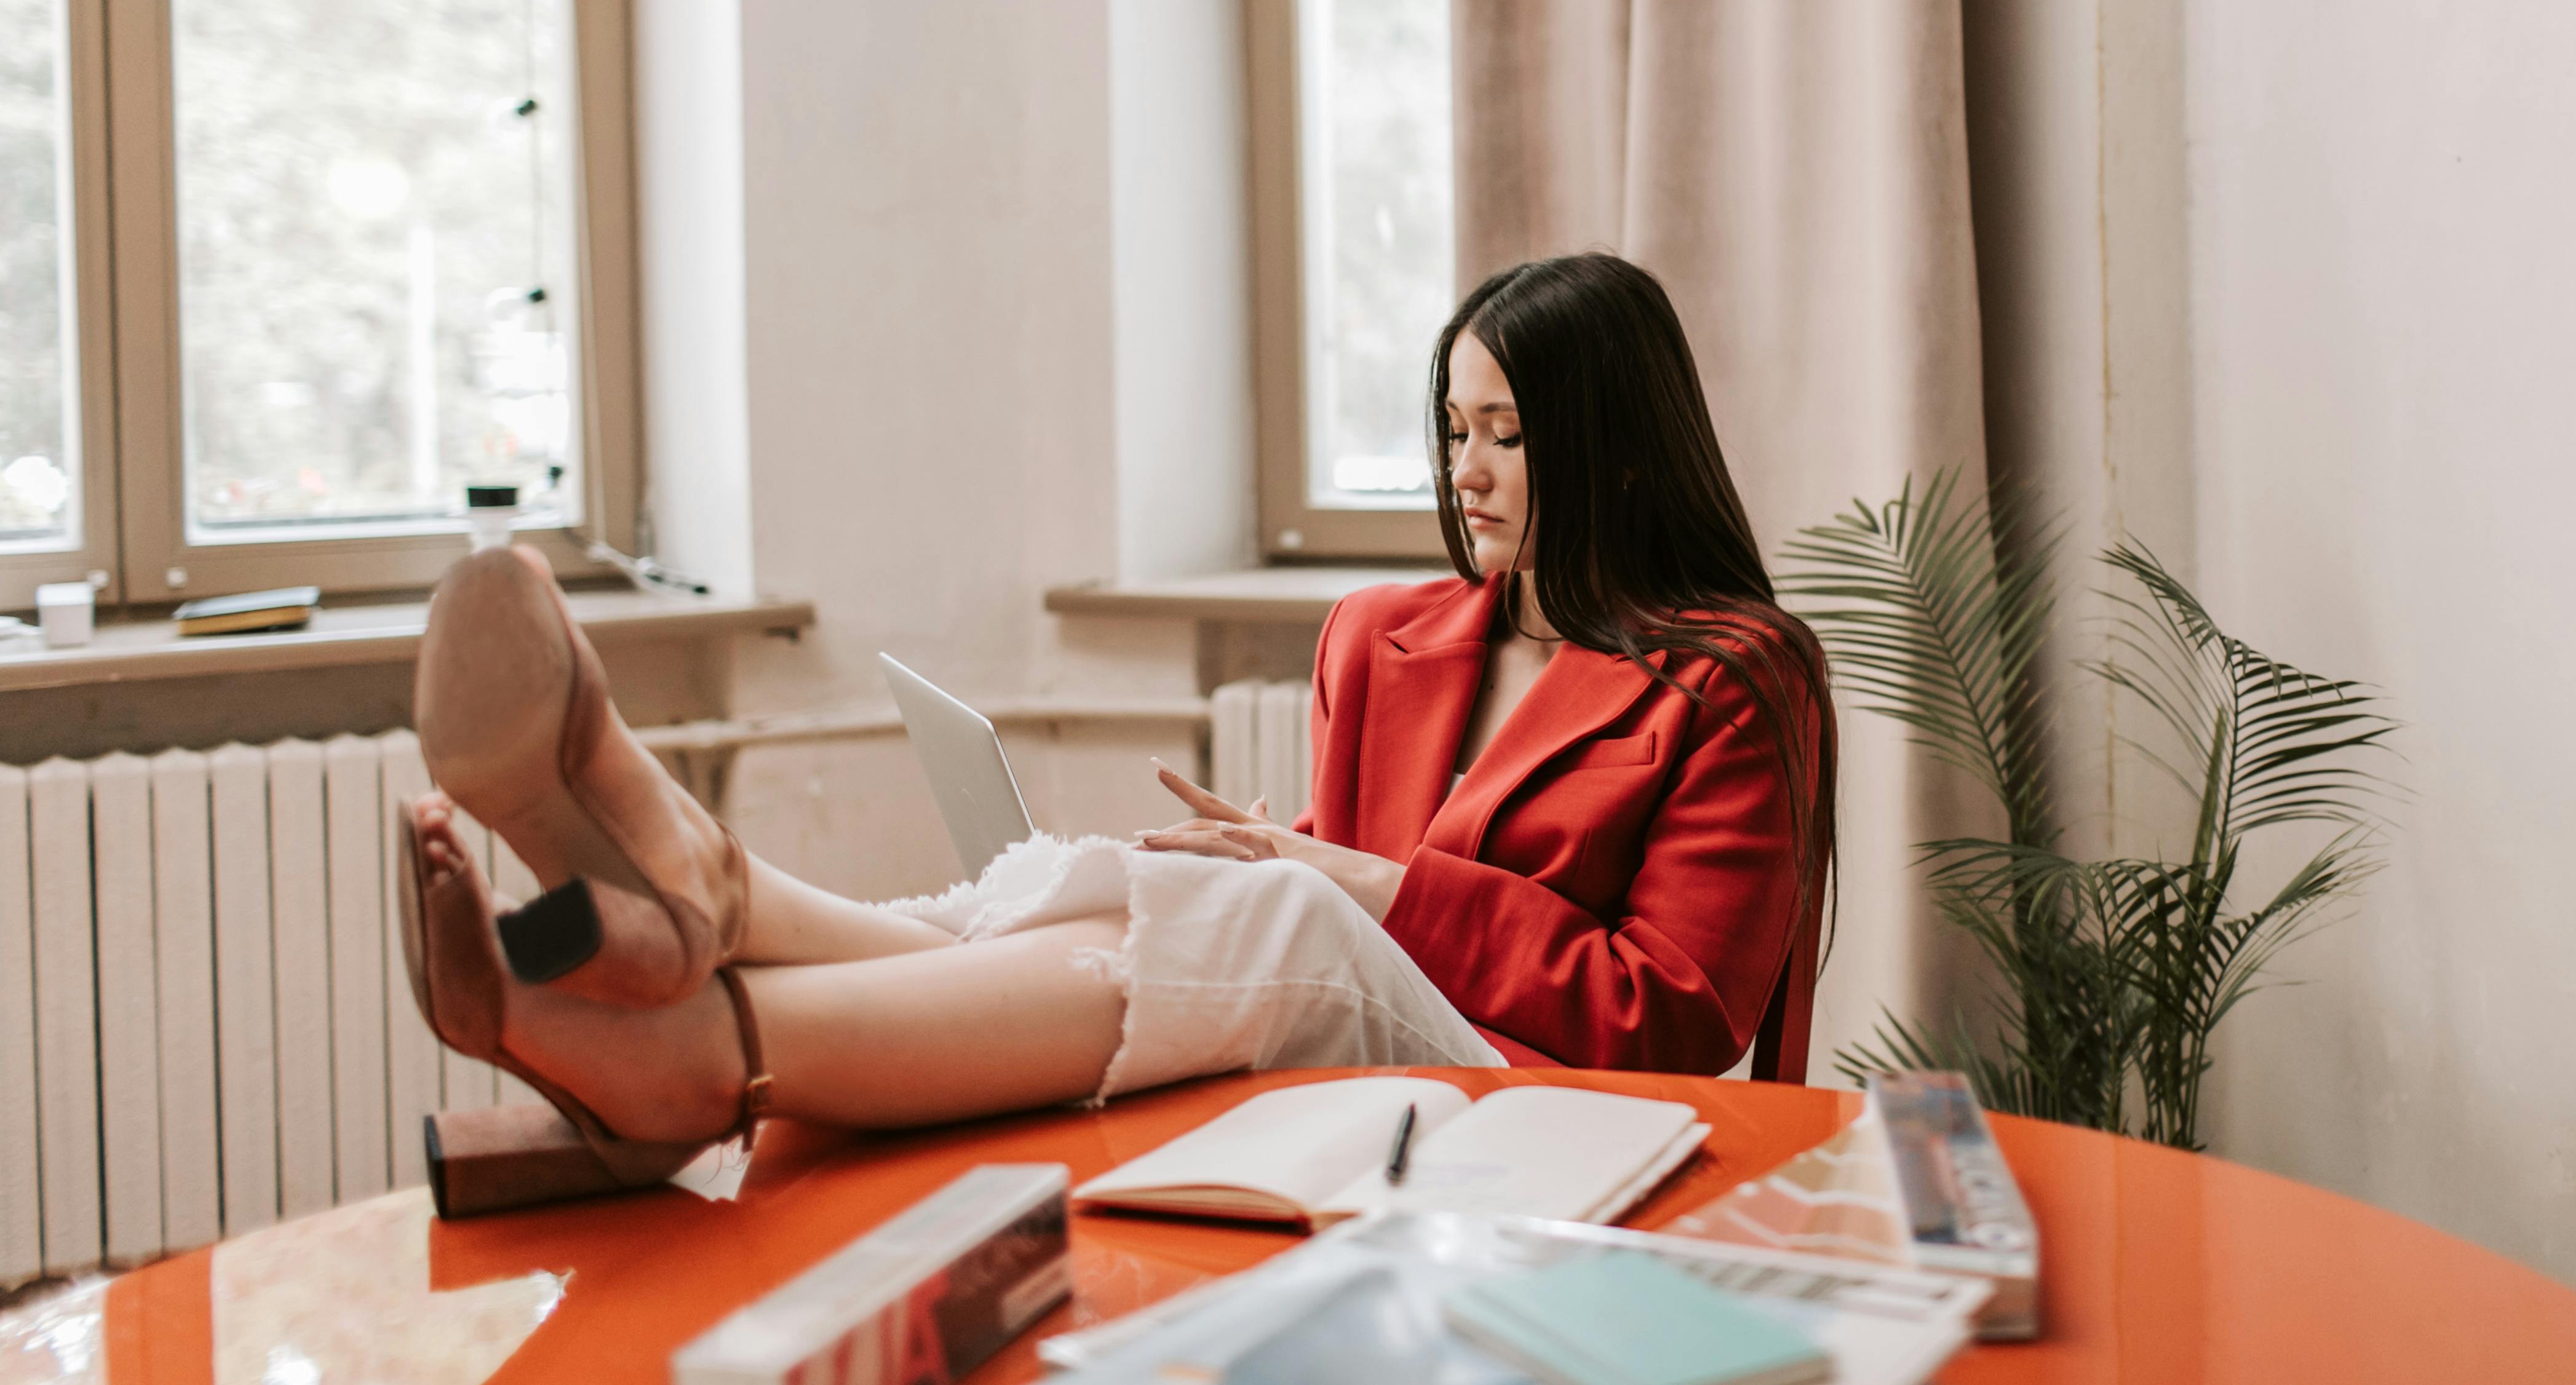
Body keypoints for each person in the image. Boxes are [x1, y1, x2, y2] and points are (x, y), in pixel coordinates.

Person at [397, 253, 1835, 1209]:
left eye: (1507, 433)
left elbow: (1672, 1017)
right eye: (1452, 426)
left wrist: (1360, 884)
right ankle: (698, 944)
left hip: (1532, 1098)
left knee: (1270, 914)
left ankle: (702, 998)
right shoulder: (1382, 635)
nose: (1465, 470)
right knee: (1126, 881)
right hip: (1356, 1053)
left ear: (1619, 444)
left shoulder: (1733, 678)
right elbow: (1323, 904)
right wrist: (1277, 859)